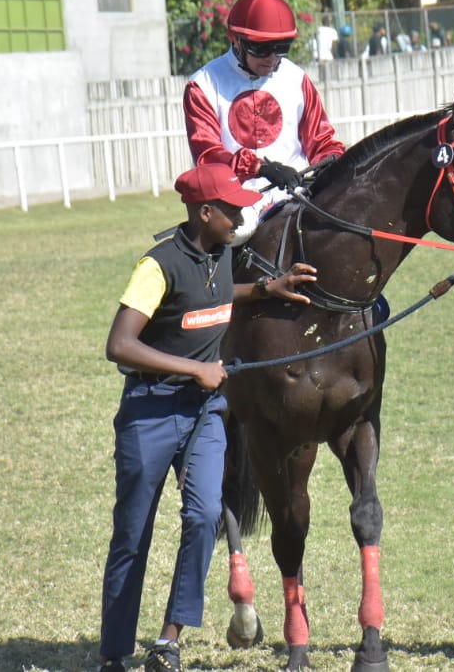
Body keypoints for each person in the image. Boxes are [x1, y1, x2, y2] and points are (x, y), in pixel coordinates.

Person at [98, 163, 318, 672]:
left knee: (203, 518)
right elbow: (119, 345)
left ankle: (168, 642)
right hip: (150, 412)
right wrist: (195, 368)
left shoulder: (221, 256)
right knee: (132, 534)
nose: (240, 218)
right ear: (204, 212)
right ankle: (113, 653)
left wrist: (264, 290)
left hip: (204, 414)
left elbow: (212, 297)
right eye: (232, 210)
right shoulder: (157, 265)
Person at [182, 0, 346, 243]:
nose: (272, 58)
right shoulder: (203, 85)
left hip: (297, 192)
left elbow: (322, 141)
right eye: (261, 48)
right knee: (240, 232)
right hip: (236, 201)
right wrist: (260, 168)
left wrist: (334, 162)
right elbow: (208, 155)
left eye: (281, 48)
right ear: (236, 40)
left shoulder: (297, 79)